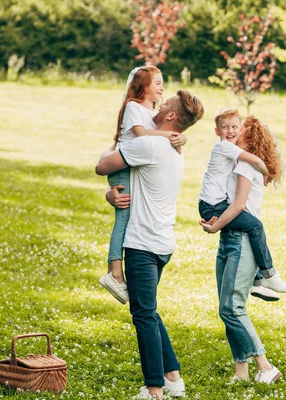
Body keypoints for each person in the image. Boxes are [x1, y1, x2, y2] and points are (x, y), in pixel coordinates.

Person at [96, 90, 204, 399]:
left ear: (171, 116)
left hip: (143, 244)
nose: (158, 103)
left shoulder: (150, 144)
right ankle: (173, 377)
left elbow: (103, 167)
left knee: (143, 314)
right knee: (149, 309)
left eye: (165, 102)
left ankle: (154, 390)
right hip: (163, 243)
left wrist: (108, 189)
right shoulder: (173, 148)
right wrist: (111, 195)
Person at [199, 116, 285, 383]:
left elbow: (237, 207)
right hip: (230, 238)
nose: (233, 133)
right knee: (229, 307)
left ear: (249, 139)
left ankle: (265, 365)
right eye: (229, 129)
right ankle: (241, 372)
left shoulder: (246, 166)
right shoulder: (236, 163)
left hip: (240, 242)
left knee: (231, 308)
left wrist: (214, 227)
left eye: (240, 131)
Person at [99, 66, 188, 305]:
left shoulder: (152, 111)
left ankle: (117, 273)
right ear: (143, 86)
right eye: (157, 83)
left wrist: (182, 137)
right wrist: (169, 138)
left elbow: (168, 127)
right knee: (123, 216)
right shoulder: (133, 107)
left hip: (134, 165)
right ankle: (115, 272)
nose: (161, 87)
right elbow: (140, 134)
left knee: (127, 215)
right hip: (122, 167)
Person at [198, 109, 286, 296]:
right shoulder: (226, 148)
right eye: (226, 127)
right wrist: (266, 172)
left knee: (252, 227)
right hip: (213, 205)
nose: (233, 131)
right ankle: (268, 273)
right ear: (217, 131)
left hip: (215, 204)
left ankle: (257, 281)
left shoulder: (235, 157)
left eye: (237, 128)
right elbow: (255, 160)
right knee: (255, 226)